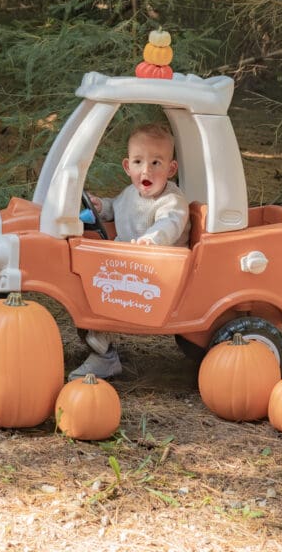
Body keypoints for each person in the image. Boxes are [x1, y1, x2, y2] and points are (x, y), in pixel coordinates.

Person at [68, 123, 190, 380]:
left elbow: (170, 223)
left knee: (98, 296)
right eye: (138, 161)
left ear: (171, 168)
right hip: (129, 265)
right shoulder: (131, 193)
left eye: (156, 163)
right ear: (128, 167)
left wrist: (151, 240)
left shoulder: (172, 201)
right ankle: (100, 346)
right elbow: (117, 208)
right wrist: (102, 206)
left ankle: (105, 357)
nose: (146, 170)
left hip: (158, 274)